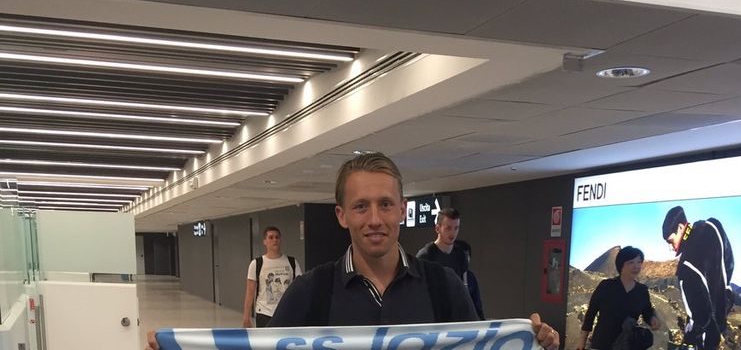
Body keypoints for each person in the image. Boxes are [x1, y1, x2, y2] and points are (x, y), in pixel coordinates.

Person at [147, 153, 560, 350]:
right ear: (342, 215)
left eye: (385, 204)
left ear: (402, 209)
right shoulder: (312, 291)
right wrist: (175, 347)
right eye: (361, 207)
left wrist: (532, 342)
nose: (375, 219)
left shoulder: (442, 286)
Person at [662, 206, 734, 350]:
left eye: (671, 241)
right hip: (722, 314)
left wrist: (692, 337)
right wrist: (725, 299)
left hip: (706, 340)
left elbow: (701, 318)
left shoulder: (686, 267)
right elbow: (729, 264)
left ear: (681, 227)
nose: (671, 248)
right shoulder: (713, 226)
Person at [577, 246, 660, 350]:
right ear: (621, 265)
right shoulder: (606, 286)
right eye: (631, 262)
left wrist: (652, 319)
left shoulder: (642, 290)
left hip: (629, 344)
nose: (636, 266)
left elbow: (647, 311)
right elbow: (590, 314)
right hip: (602, 344)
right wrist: (582, 343)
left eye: (639, 262)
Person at [241, 226, 302, 327]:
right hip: (265, 313)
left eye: (277, 237)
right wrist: (246, 317)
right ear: (264, 241)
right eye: (271, 237)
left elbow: (299, 288)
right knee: (266, 343)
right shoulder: (256, 264)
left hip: (287, 312)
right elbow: (250, 292)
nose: (275, 240)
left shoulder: (292, 262)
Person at [416, 207, 469, 277]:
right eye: (448, 228)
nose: (453, 233)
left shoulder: (460, 255)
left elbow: (463, 284)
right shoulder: (425, 256)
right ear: (437, 229)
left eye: (456, 228)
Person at [454, 239, 485, 320]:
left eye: (468, 255)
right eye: (462, 256)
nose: (465, 259)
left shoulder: (470, 277)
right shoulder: (445, 274)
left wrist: (481, 322)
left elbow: (477, 304)